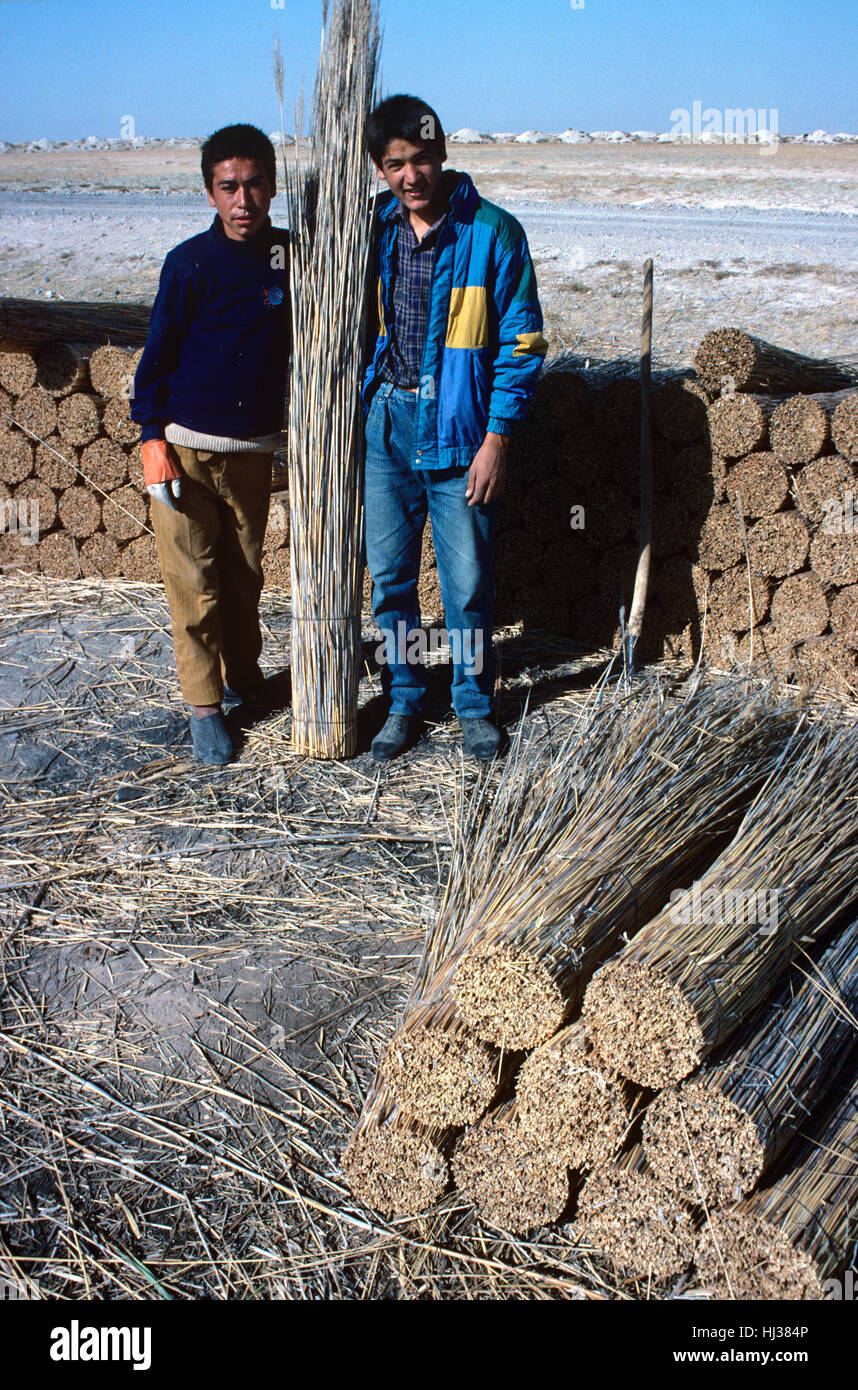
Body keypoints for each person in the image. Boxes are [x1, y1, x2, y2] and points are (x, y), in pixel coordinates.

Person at [362, 94, 547, 762]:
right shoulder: (377, 230)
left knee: (466, 585)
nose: (410, 176)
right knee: (390, 579)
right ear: (380, 170)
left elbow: (523, 345)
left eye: (419, 159)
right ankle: (406, 698)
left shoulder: (493, 232)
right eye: (393, 164)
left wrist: (496, 439)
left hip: (461, 432)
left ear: (441, 154)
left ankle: (472, 704)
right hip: (387, 424)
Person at [131, 123, 290, 765]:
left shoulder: (289, 256)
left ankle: (245, 682)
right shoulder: (189, 262)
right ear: (209, 193)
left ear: (272, 186)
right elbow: (158, 356)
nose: (243, 199)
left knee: (245, 576)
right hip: (186, 447)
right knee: (191, 580)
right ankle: (203, 707)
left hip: (253, 450)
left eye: (254, 184)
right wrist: (152, 439)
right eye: (229, 187)